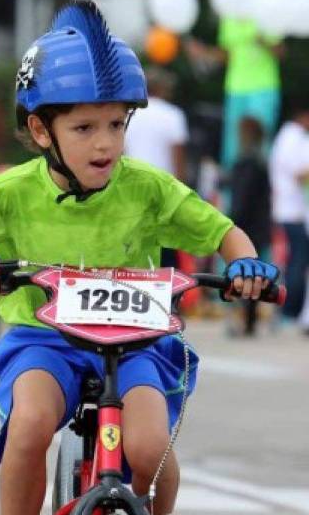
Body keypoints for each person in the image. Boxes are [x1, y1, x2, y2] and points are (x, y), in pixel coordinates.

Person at [0, 0, 279, 515]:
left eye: (116, 123)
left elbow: (224, 233)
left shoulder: (148, 187)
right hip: (45, 341)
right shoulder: (9, 193)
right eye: (84, 127)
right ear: (41, 130)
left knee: (150, 444)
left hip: (137, 342)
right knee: (31, 424)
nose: (106, 143)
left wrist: (246, 263)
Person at [186, 18, 284, 172]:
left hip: (264, 87)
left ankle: (261, 189)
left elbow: (280, 52)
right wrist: (204, 53)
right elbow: (227, 55)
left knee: (261, 142)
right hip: (235, 88)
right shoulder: (229, 18)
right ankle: (231, 192)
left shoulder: (264, 11)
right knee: (232, 146)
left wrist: (263, 41)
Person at [124, 65, 189, 268]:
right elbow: (178, 159)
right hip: (163, 190)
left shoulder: (128, 115)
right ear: (162, 88)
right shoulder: (173, 115)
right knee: (166, 250)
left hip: (132, 189)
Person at [227, 117, 272, 335]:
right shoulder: (260, 161)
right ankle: (249, 320)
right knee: (253, 273)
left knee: (245, 274)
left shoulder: (247, 162)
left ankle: (246, 320)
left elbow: (242, 198)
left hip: (246, 225)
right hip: (258, 224)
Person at [269, 104, 309, 322]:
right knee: (297, 262)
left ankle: (289, 308)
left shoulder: (286, 137)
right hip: (293, 211)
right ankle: (290, 309)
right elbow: (300, 172)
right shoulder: (294, 138)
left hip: (286, 208)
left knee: (294, 260)